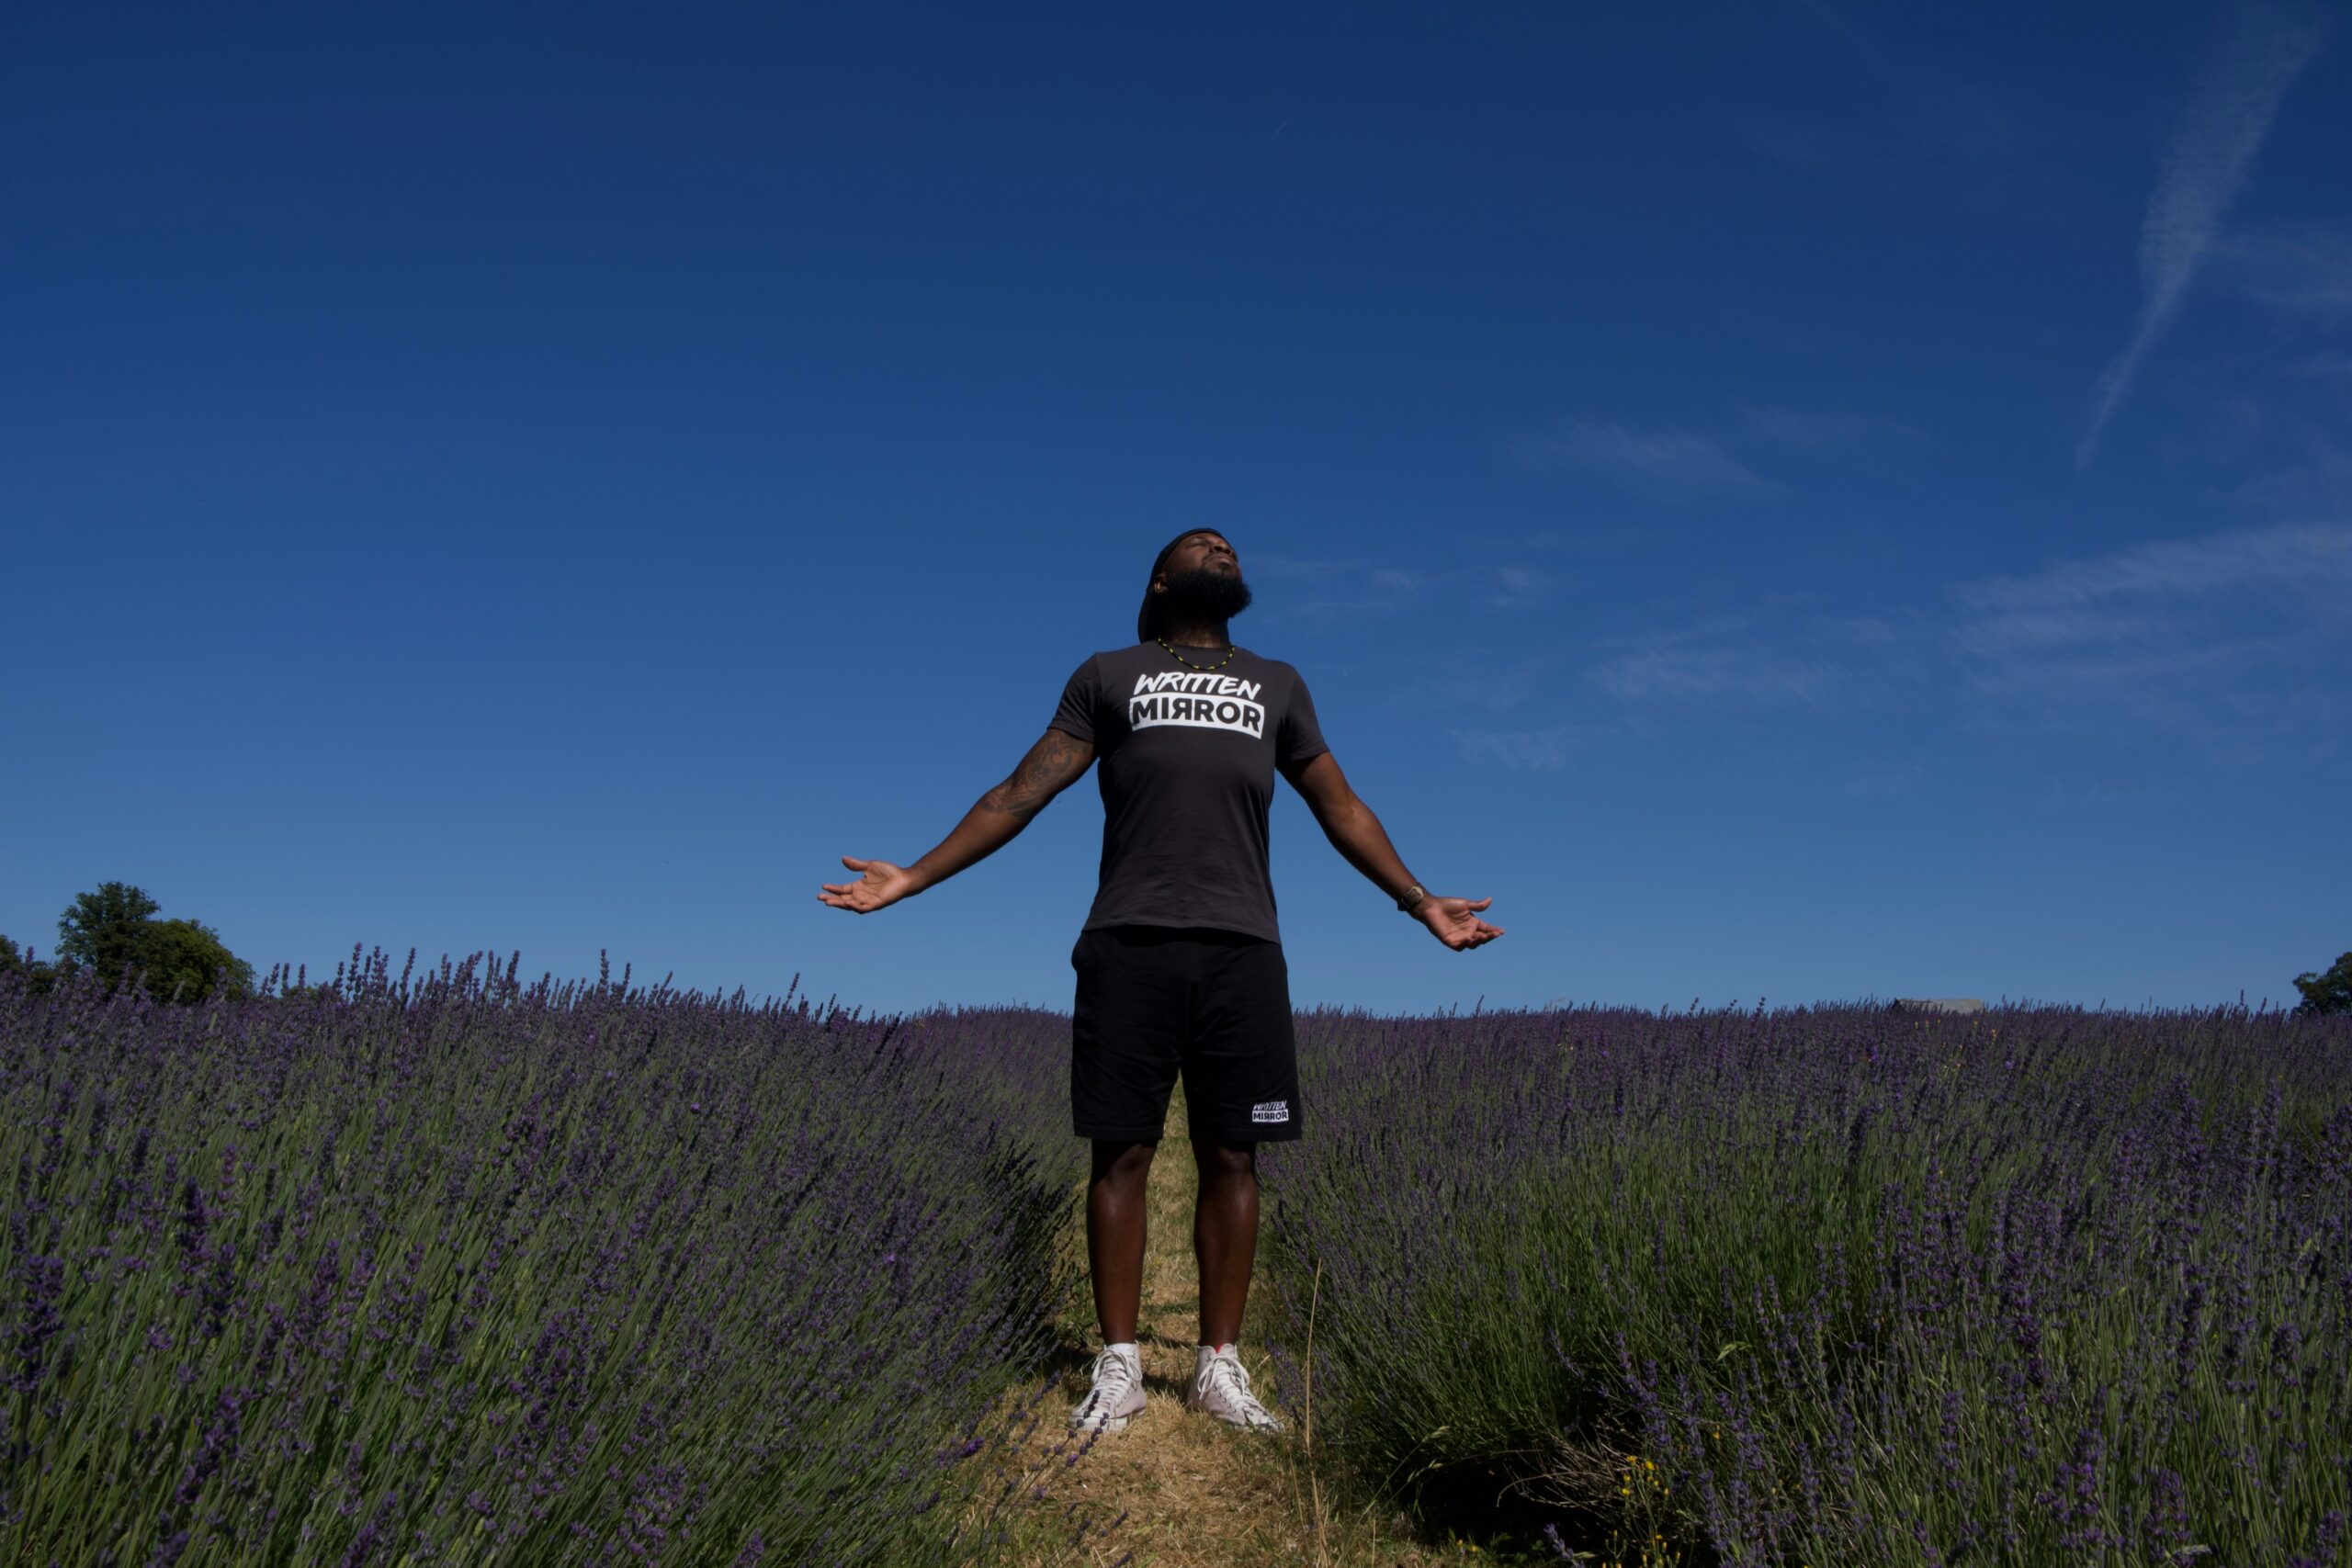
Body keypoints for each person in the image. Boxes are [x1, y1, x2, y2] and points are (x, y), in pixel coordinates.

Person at [819, 529, 1502, 1435]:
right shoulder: (1110, 674)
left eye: (1228, 545)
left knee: (1233, 1153)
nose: (1221, 547)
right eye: (1200, 544)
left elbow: (1339, 805)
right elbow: (1020, 792)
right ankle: (1120, 1365)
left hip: (1242, 948)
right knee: (1123, 1150)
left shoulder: (1278, 685)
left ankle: (1219, 1365)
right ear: (1162, 579)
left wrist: (1418, 900)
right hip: (1128, 942)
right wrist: (912, 875)